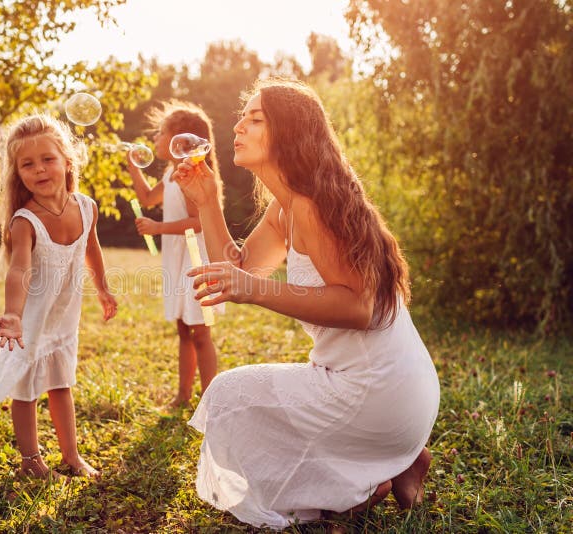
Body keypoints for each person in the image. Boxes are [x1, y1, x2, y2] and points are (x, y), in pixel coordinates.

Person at [173, 78, 440, 528]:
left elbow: (358, 308)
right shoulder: (287, 208)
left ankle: (373, 469)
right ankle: (388, 468)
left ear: (289, 134)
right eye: (242, 115)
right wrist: (207, 204)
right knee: (238, 403)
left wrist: (254, 290)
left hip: (376, 392)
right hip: (389, 393)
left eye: (255, 118)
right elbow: (239, 270)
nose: (238, 125)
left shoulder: (312, 207)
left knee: (226, 395)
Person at [0, 113, 117, 480]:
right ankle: (31, 463)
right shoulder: (25, 220)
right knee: (26, 389)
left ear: (67, 161)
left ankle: (71, 456)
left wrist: (102, 288)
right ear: (17, 173)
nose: (39, 170)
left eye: (48, 159)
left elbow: (92, 248)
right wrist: (12, 314)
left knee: (60, 383)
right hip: (30, 320)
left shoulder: (86, 206)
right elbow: (19, 270)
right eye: (28, 164)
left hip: (63, 318)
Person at [126, 100, 225, 408]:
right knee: (183, 329)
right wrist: (132, 167)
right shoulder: (171, 175)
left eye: (161, 132)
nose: (155, 138)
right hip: (177, 260)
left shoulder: (190, 177)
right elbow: (146, 197)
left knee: (200, 333)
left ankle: (209, 400)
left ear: (182, 142)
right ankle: (183, 395)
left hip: (195, 260)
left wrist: (158, 228)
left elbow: (199, 222)